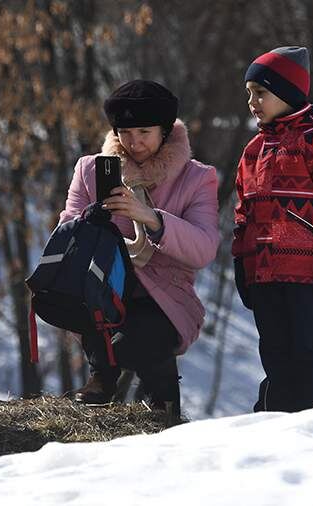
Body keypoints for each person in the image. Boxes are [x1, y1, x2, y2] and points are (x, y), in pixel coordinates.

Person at [59, 80, 220, 417]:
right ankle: (104, 378)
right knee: (96, 305)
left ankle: (159, 396)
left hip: (165, 296)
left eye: (144, 131)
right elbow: (65, 235)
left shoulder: (197, 178)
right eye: (125, 132)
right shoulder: (90, 171)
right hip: (104, 290)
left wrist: (152, 219)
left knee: (133, 344)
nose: (134, 142)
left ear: (165, 130)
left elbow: (204, 249)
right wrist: (89, 221)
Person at [231, 46, 313, 413]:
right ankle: (273, 418)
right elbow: (243, 211)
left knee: (311, 346)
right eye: (249, 94)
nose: (252, 101)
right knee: (274, 348)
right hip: (265, 270)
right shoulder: (253, 150)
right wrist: (241, 260)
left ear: (287, 93)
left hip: (308, 271)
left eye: (261, 93)